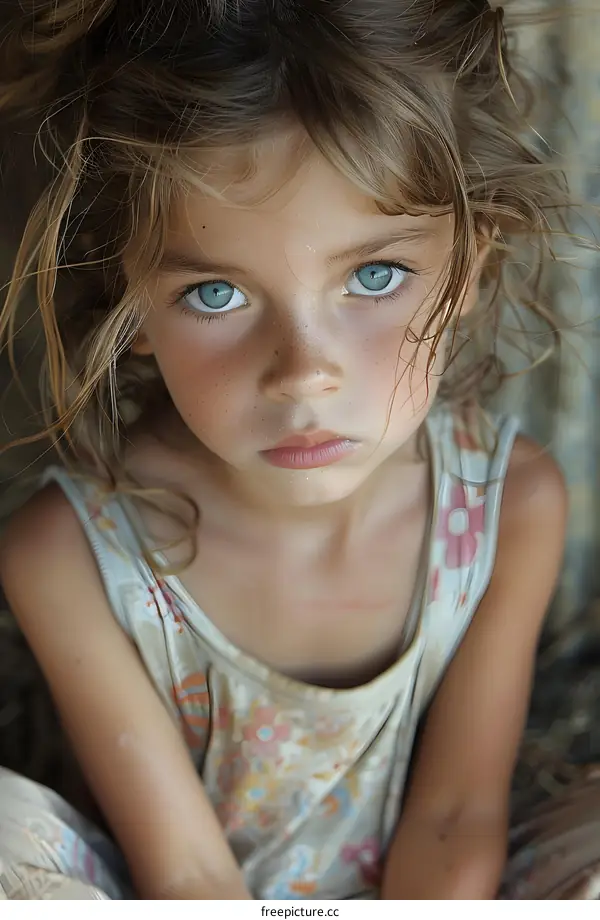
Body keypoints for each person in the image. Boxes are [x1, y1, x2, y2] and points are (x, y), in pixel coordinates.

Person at [0, 0, 596, 901]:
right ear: (131, 299)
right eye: (214, 295)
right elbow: (189, 872)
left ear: (471, 263)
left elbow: (454, 820)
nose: (304, 375)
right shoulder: (71, 555)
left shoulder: (508, 505)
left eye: (374, 277)